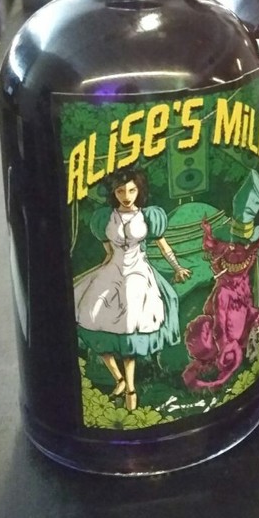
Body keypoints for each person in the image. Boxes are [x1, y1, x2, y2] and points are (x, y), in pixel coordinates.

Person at [74, 167, 191, 411]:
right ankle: (118, 378)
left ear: (139, 191)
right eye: (120, 191)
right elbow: (108, 254)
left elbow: (163, 246)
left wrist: (177, 267)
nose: (126, 196)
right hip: (113, 271)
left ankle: (130, 389)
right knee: (92, 318)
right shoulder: (105, 218)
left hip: (138, 273)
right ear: (114, 193)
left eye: (131, 190)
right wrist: (95, 273)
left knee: (129, 326)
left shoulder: (148, 216)